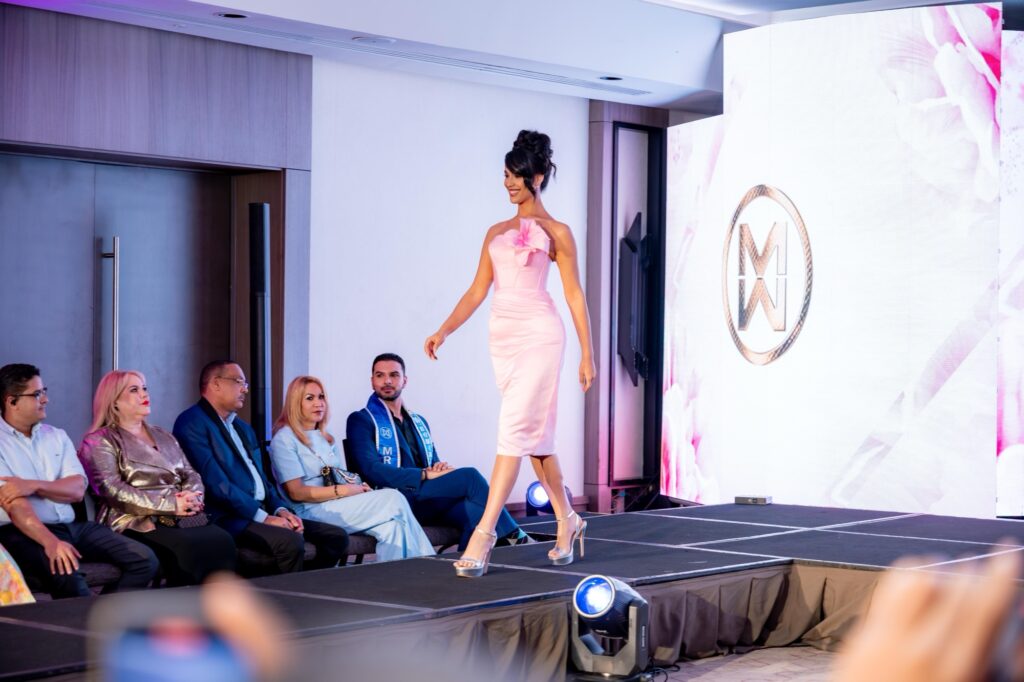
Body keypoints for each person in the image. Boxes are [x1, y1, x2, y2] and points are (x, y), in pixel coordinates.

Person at [423, 130, 596, 577]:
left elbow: (574, 294)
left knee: (513, 431)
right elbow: (477, 290)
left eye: (516, 176)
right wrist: (444, 330)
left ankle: (483, 536)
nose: (508, 184)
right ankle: (568, 519)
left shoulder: (558, 232)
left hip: (541, 334)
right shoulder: (495, 233)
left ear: (536, 177)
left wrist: (587, 353)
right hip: (502, 339)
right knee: (535, 441)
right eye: (504, 175)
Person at [173, 361, 348, 574]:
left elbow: (263, 481)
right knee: (290, 541)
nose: (245, 389)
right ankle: (288, 594)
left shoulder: (242, 428)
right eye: (239, 382)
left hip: (260, 509)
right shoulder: (192, 422)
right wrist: (264, 518)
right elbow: (216, 484)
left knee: (336, 537)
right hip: (229, 516)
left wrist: (281, 510)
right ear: (216, 384)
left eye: (245, 384)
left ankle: (309, 587)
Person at [0, 363, 158, 598]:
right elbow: (16, 506)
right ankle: (84, 620)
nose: (46, 399)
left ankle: (105, 613)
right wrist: (51, 542)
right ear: (12, 401)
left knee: (145, 560)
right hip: (23, 533)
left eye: (44, 391)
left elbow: (76, 490)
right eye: (37, 394)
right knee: (68, 574)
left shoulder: (56, 436)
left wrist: (32, 485)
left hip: (73, 527)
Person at [346, 353, 528, 550]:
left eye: (394, 375)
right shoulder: (361, 420)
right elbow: (371, 469)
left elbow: (433, 463)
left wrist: (438, 468)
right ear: (372, 381)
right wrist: (423, 474)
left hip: (427, 499)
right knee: (470, 476)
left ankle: (464, 564)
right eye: (380, 375)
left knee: (477, 513)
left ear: (404, 381)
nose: (387, 381)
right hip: (396, 499)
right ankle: (515, 535)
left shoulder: (419, 422)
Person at [77, 370, 237, 586]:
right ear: (114, 402)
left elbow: (190, 473)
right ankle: (182, 604)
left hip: (179, 516)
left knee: (223, 540)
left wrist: (192, 497)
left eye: (144, 388)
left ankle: (217, 604)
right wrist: (171, 504)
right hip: (134, 520)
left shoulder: (163, 435)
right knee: (189, 547)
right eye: (134, 390)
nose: (144, 394)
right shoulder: (100, 440)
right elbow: (112, 489)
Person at [270, 375, 435, 562]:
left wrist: (358, 488)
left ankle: (393, 580)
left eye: (321, 397)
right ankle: (429, 565)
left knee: (393, 528)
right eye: (310, 398)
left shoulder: (326, 437)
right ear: (295, 403)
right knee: (393, 498)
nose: (318, 403)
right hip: (309, 510)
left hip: (338, 503)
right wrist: (344, 491)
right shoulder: (284, 439)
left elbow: (340, 477)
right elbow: (296, 492)